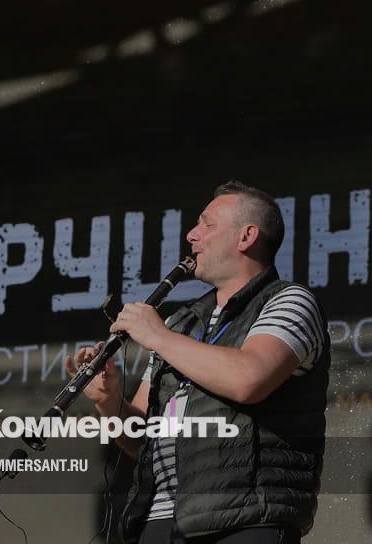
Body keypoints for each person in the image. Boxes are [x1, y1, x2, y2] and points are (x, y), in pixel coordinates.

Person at [65, 181, 330, 544]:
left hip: (244, 517)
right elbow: (141, 440)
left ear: (246, 236)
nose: (192, 235)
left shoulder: (289, 301)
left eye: (207, 224)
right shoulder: (181, 324)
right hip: (160, 521)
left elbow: (249, 379)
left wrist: (158, 336)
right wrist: (108, 401)